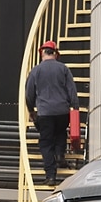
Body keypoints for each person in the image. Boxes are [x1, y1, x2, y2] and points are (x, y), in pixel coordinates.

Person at [24, 40, 80, 185]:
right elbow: (72, 91)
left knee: (46, 143)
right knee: (60, 132)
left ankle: (51, 176)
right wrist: (75, 109)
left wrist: (31, 111)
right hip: (62, 111)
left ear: (42, 53)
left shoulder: (36, 71)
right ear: (55, 53)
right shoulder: (64, 69)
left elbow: (29, 94)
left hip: (45, 112)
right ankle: (60, 155)